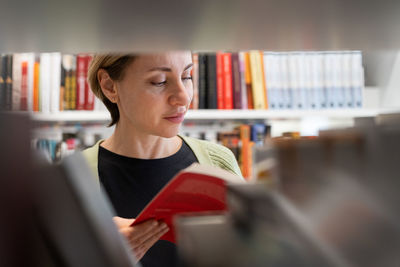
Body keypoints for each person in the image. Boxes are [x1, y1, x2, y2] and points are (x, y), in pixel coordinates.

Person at [82, 51, 243, 266]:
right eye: (160, 81)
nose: (183, 96)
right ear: (110, 86)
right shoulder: (76, 178)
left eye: (187, 76)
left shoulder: (219, 162)